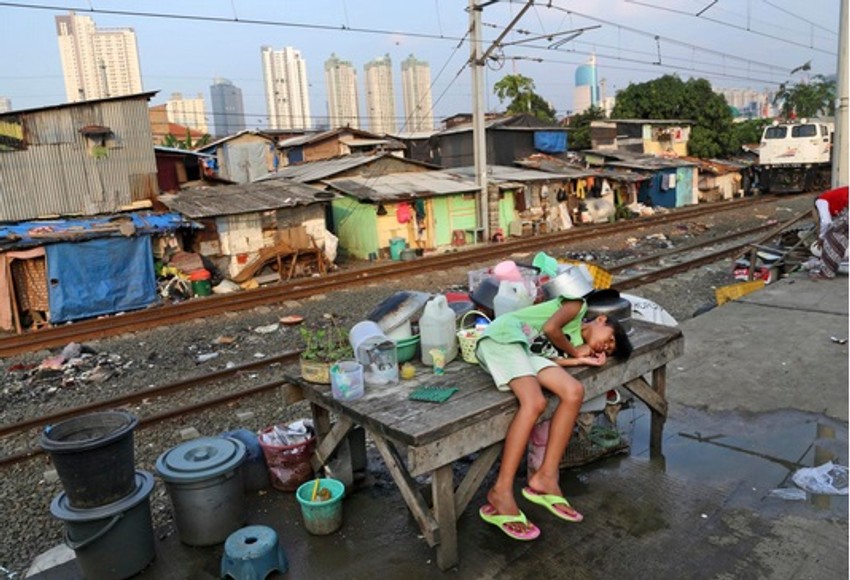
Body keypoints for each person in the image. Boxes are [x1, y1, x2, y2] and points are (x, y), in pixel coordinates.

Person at [474, 294, 632, 540]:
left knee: (574, 391)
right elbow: (550, 329)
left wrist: (578, 359)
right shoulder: (577, 306)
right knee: (534, 402)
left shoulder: (574, 342)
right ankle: (501, 491)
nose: (605, 346)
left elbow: (548, 356)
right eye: (609, 339)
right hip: (504, 336)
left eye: (609, 350)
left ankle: (546, 476)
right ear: (601, 319)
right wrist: (575, 351)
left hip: (526, 352)